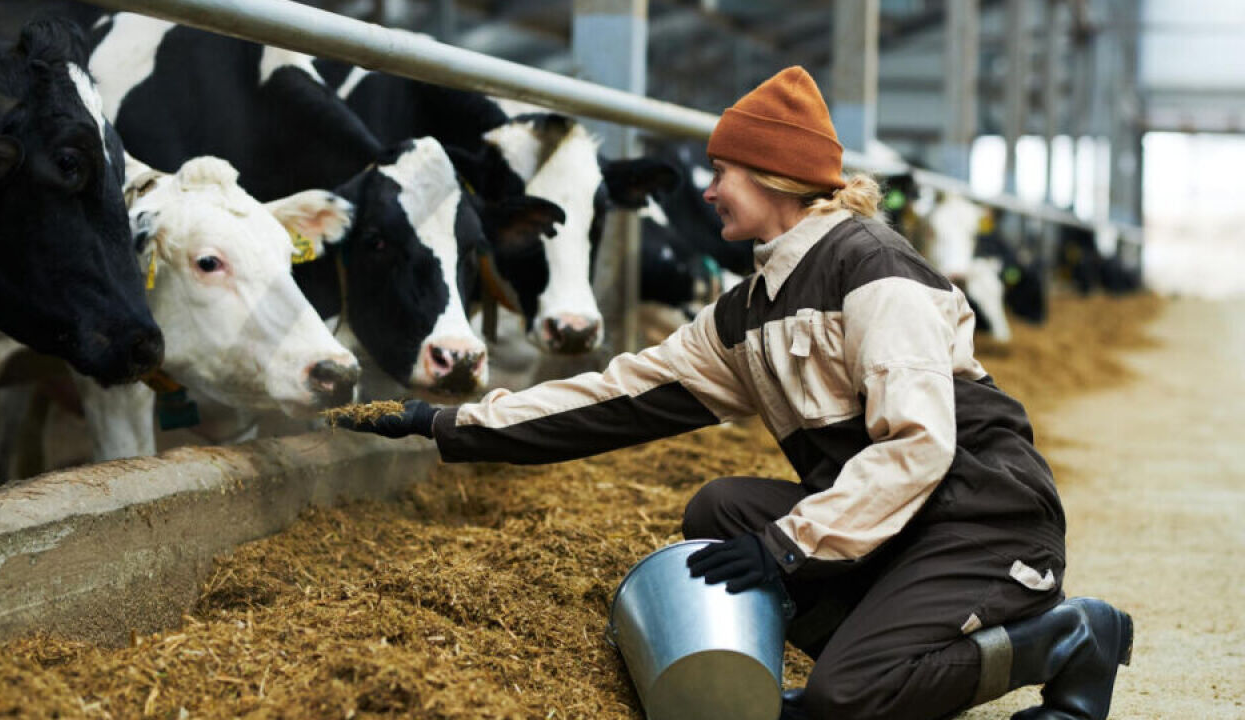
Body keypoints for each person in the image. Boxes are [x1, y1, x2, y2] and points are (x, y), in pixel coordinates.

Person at [333, 66, 1133, 720]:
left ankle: (1062, 638)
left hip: (979, 516)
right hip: (888, 522)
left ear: (774, 175)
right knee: (720, 513)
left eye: (722, 170)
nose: (707, 190)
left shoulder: (874, 268)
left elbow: (920, 445)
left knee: (846, 697)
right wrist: (447, 423)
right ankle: (890, 644)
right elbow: (620, 394)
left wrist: (787, 547)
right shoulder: (748, 312)